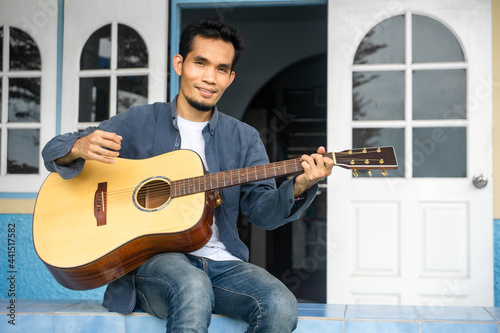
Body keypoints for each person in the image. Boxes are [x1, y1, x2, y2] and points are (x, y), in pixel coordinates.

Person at [42, 17, 333, 332]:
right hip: (156, 265)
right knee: (192, 286)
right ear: (179, 64)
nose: (210, 77)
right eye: (200, 63)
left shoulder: (244, 137)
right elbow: (52, 150)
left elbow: (262, 213)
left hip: (224, 267)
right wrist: (79, 146)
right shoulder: (138, 122)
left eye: (221, 69)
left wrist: (300, 186)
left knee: (281, 304)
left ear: (230, 77)